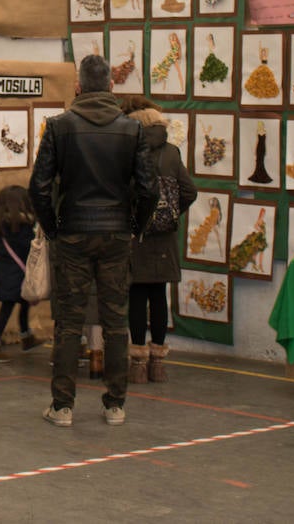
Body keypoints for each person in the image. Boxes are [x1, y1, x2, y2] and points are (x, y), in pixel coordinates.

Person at [30, 54, 158, 427]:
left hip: (72, 233)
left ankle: (63, 406)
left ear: (78, 87)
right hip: (117, 234)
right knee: (116, 320)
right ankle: (115, 404)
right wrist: (136, 224)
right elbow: (149, 189)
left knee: (69, 321)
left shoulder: (58, 127)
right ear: (112, 87)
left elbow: (38, 187)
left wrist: (53, 227)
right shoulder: (131, 130)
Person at [122, 102, 196, 384]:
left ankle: (138, 363)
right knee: (159, 295)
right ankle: (158, 364)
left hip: (136, 235)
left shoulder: (130, 154)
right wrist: (171, 212)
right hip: (164, 237)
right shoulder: (172, 153)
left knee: (138, 297)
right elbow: (190, 190)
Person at [0, 185, 38, 363]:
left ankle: (26, 336)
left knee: (21, 304)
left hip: (7, 272)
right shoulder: (22, 226)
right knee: (8, 309)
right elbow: (27, 247)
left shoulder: (1, 224)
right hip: (17, 274)